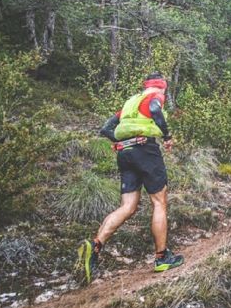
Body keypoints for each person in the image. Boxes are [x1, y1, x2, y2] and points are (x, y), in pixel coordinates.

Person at [77, 72, 183, 283]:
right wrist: (167, 136)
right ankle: (162, 258)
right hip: (145, 150)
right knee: (159, 201)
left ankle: (95, 248)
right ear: (162, 87)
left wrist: (122, 141)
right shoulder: (156, 95)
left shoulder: (130, 103)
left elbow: (106, 128)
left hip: (125, 154)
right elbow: (154, 109)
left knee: (128, 207)